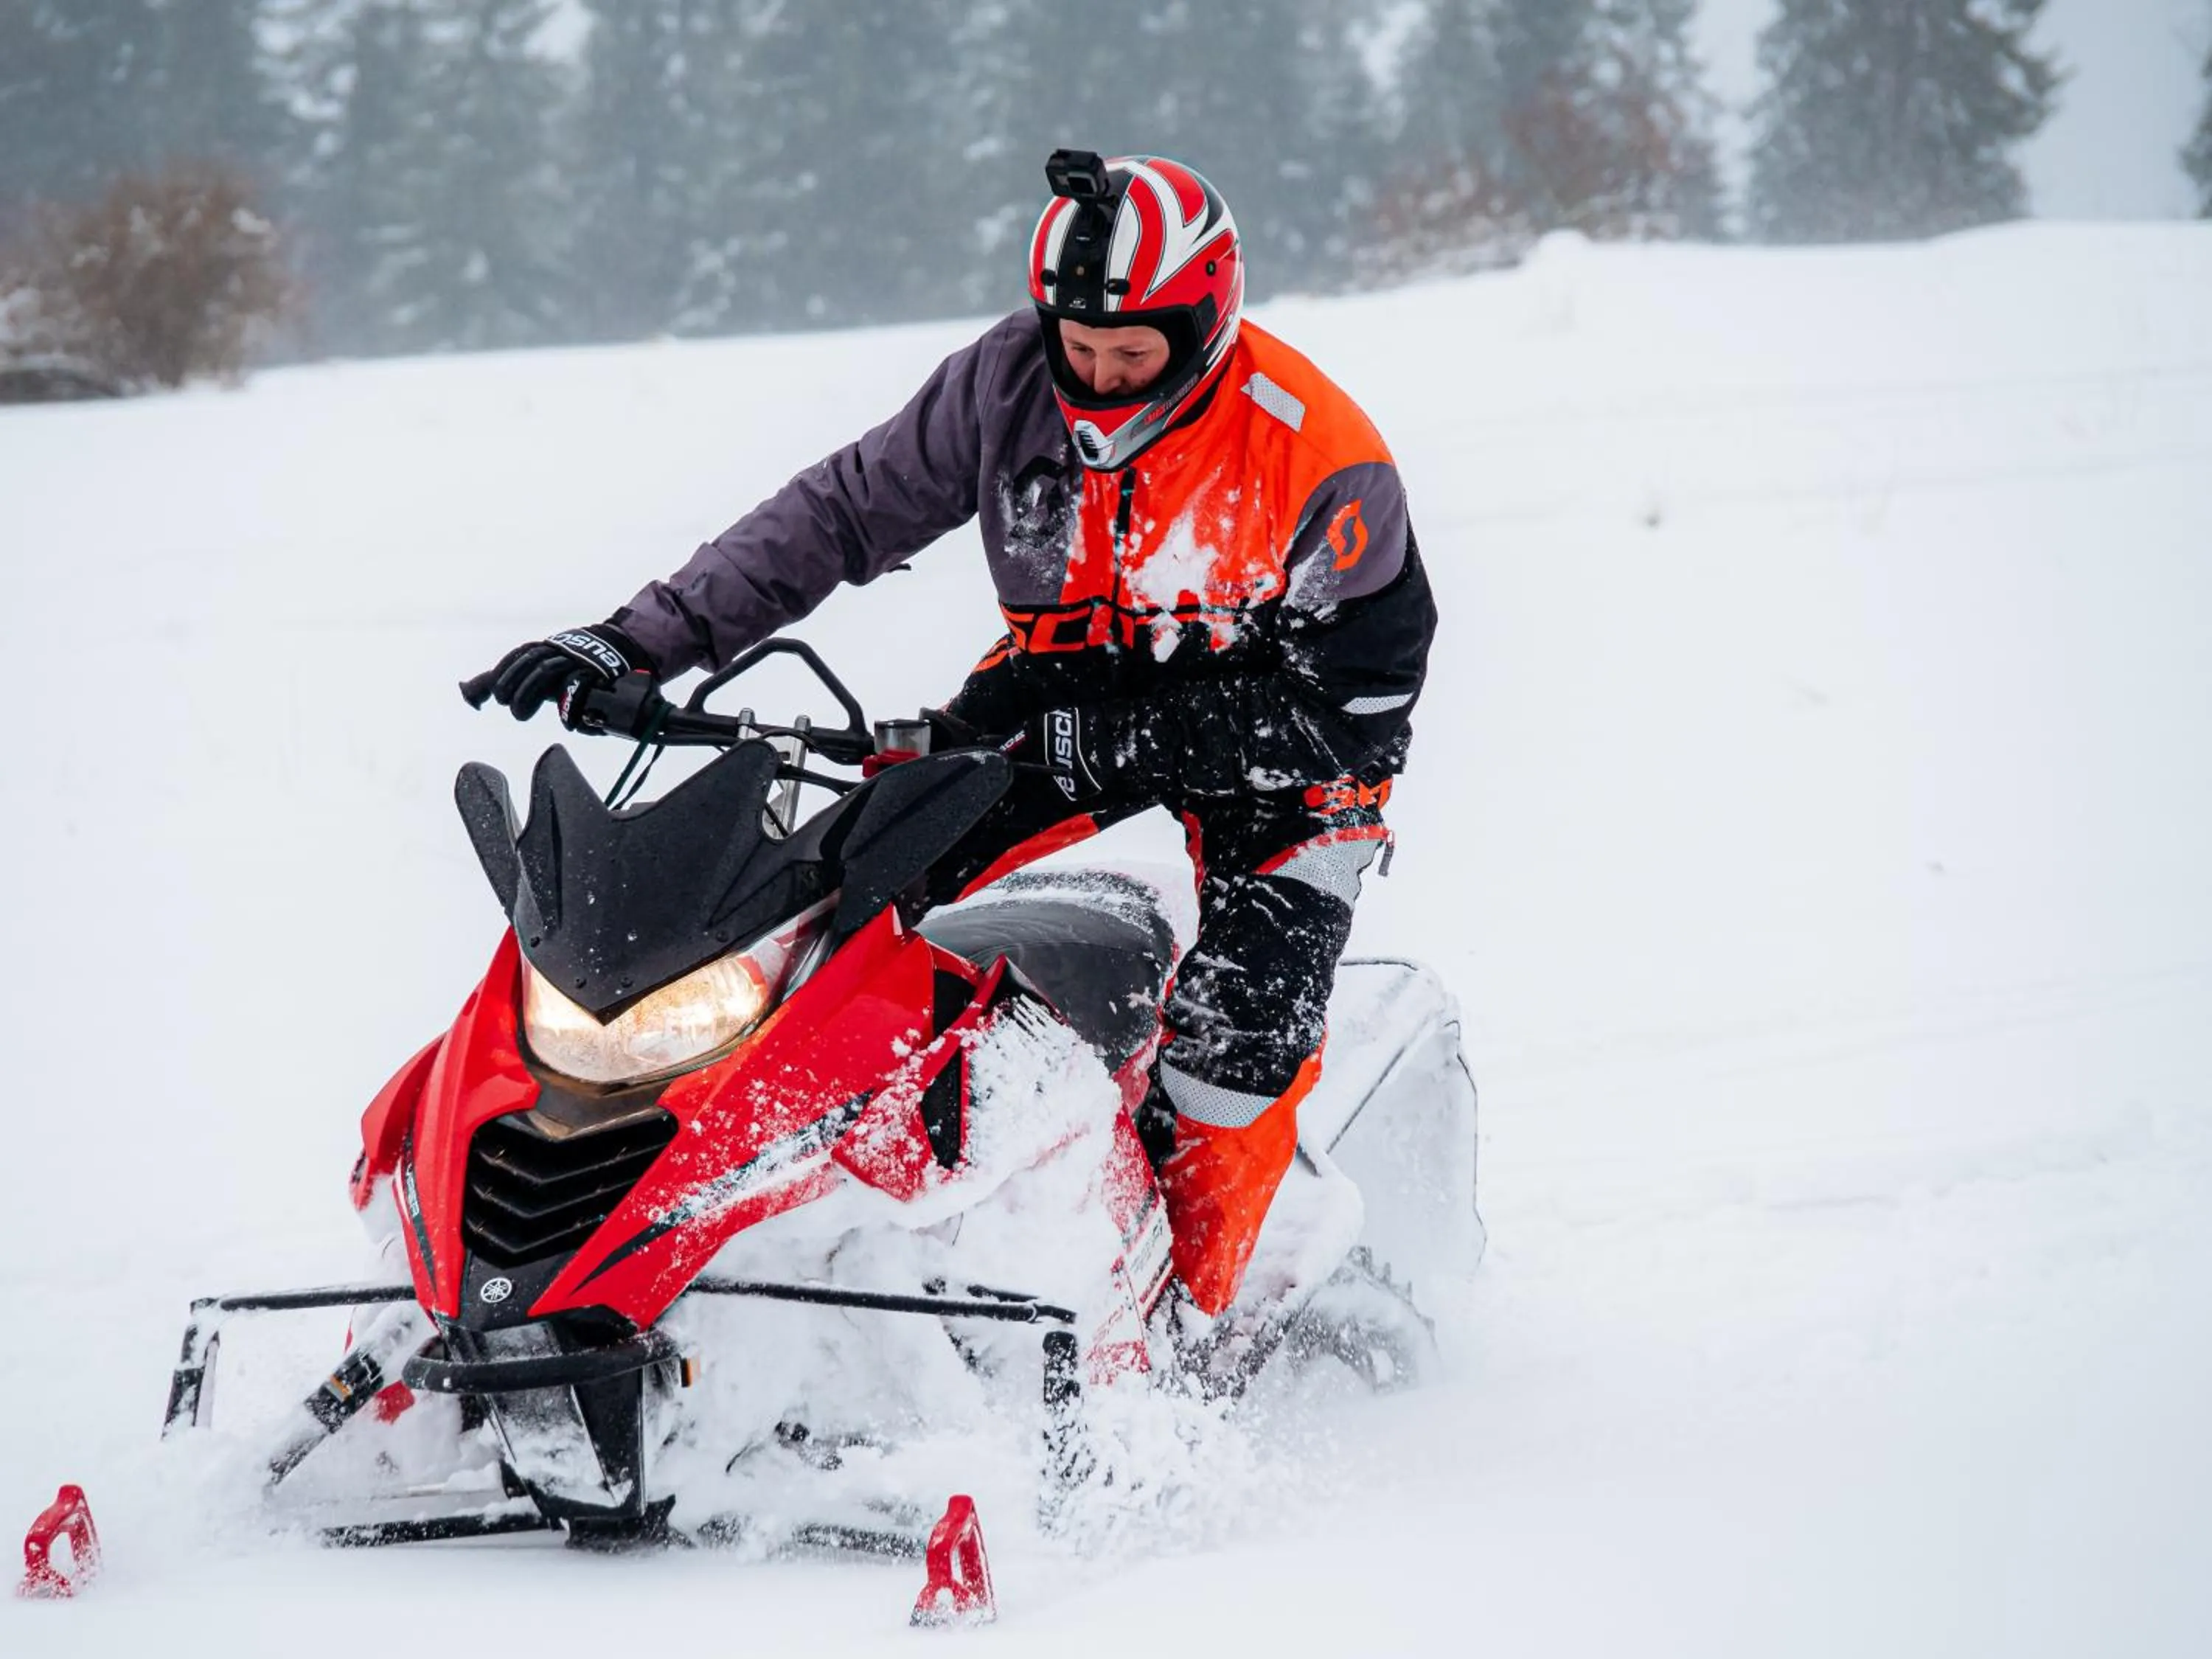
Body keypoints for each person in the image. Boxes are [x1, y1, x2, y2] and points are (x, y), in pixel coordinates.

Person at [463, 150, 1436, 1319]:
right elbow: (834, 516)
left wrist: (1123, 747)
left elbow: (1358, 706)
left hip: (1286, 755)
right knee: (827, 902)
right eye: (1079, 347)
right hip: (1059, 688)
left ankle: (1195, 1315)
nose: (1099, 381)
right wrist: (638, 641)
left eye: (1134, 355)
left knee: (1237, 1043)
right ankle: (756, 1214)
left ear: (1208, 322)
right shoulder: (1005, 384)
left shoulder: (1314, 452)